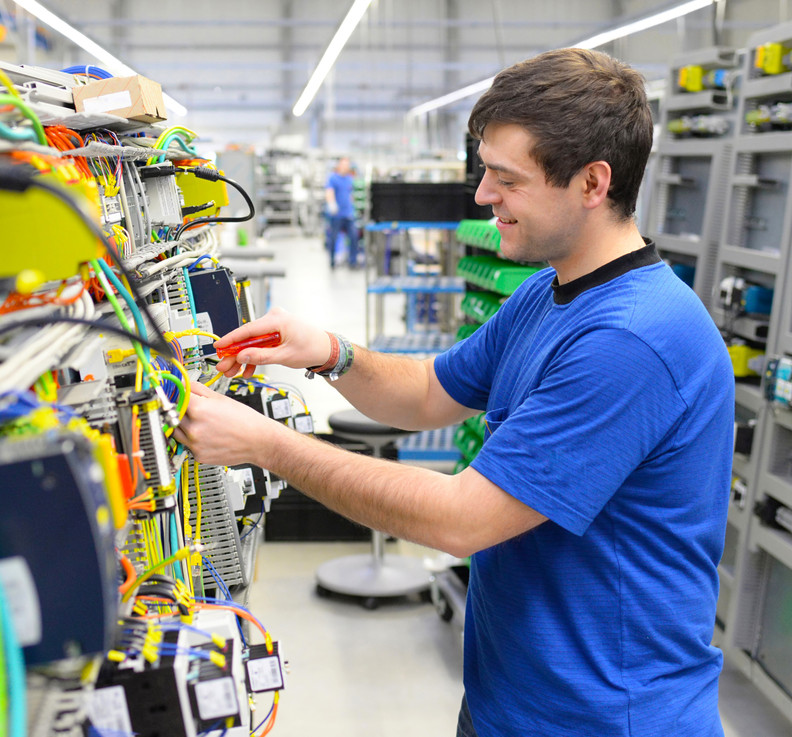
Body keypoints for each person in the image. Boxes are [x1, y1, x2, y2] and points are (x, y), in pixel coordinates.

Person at [177, 47, 734, 737]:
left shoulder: (634, 341)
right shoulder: (547, 293)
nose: (481, 197)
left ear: (593, 182)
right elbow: (429, 393)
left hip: (605, 719)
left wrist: (269, 445)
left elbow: (460, 519)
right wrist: (330, 351)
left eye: (506, 178)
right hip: (511, 703)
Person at [324, 156, 361, 268]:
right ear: (339, 165)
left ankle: (352, 261)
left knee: (354, 237)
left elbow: (351, 194)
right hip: (336, 215)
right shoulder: (333, 178)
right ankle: (332, 261)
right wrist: (331, 204)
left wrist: (354, 206)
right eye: (344, 164)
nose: (346, 167)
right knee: (333, 238)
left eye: (348, 165)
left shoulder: (350, 179)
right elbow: (329, 192)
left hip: (349, 214)